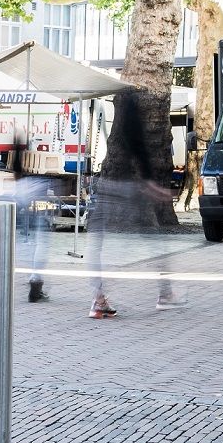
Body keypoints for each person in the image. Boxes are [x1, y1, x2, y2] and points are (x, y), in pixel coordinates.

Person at [89, 88, 183, 318]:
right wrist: (151, 183)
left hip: (106, 182)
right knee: (152, 238)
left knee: (97, 242)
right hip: (129, 187)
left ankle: (98, 299)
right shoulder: (131, 110)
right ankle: (166, 294)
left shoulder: (117, 112)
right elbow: (138, 145)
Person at [11, 133, 51, 302]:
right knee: (41, 242)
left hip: (24, 196)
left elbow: (16, 171)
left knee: (30, 244)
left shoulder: (21, 172)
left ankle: (34, 279)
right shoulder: (37, 169)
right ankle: (35, 280)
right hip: (35, 196)